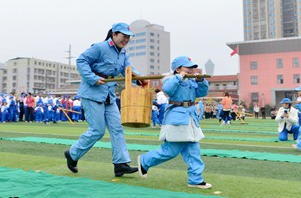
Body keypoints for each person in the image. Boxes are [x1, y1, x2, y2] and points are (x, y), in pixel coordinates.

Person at [64, 22, 139, 177]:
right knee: (97, 131)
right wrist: (92, 78)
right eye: (124, 36)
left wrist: (140, 79)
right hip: (92, 93)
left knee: (117, 128)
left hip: (109, 95)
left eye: (128, 37)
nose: (126, 40)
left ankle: (120, 164)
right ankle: (72, 154)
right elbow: (81, 61)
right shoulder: (99, 47)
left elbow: (128, 71)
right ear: (114, 34)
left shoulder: (123, 54)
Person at [137, 56, 211, 189]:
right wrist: (179, 77)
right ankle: (145, 160)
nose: (191, 70)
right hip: (177, 118)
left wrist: (201, 81)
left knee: (193, 150)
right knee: (170, 151)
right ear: (177, 69)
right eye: (187, 67)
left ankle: (195, 179)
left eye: (192, 67)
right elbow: (168, 89)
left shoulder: (191, 81)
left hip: (190, 118)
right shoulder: (172, 79)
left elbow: (202, 92)